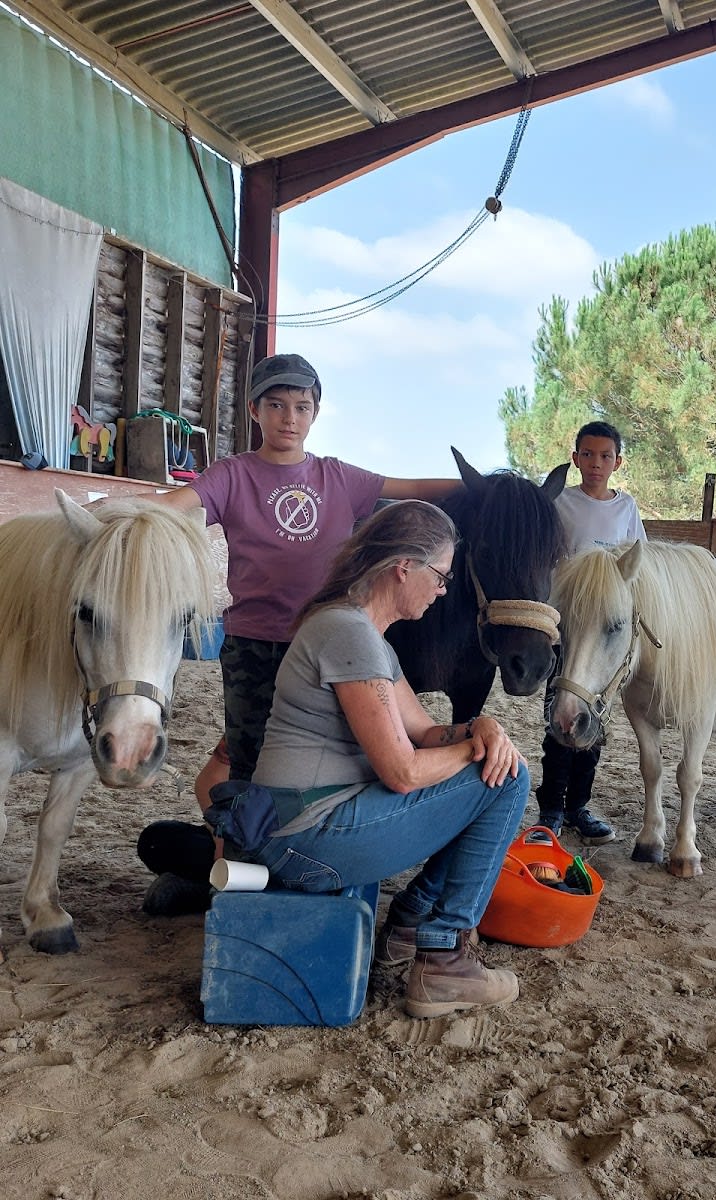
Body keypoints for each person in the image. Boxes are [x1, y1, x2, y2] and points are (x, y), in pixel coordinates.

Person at [137, 352, 457, 914]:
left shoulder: (338, 478)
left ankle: (321, 860)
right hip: (256, 647)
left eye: (302, 407)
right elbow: (171, 507)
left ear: (316, 413)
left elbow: (411, 488)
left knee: (346, 757)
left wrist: (490, 488)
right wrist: (106, 511)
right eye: (277, 405)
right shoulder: (232, 475)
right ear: (255, 410)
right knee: (250, 765)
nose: (290, 417)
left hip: (333, 641)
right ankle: (231, 887)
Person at [219, 499, 529, 1019]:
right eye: (440, 576)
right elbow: (403, 772)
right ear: (404, 566)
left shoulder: (365, 637)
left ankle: (412, 923)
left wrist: (480, 728)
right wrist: (475, 752)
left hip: (303, 824)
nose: (442, 590)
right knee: (509, 779)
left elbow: (425, 732)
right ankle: (443, 957)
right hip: (306, 835)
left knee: (496, 766)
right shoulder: (350, 634)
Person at [536, 421, 646, 844]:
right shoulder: (561, 503)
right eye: (587, 454)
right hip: (569, 626)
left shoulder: (627, 508)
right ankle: (550, 810)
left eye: (605, 456)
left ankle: (577, 806)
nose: (596, 463)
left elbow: (636, 564)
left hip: (602, 633)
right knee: (559, 716)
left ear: (617, 462)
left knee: (593, 721)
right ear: (575, 458)